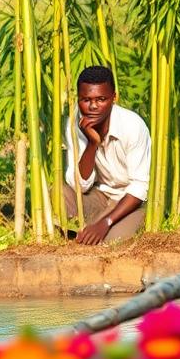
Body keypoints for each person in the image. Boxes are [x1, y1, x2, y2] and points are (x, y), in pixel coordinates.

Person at [63, 65, 151, 245]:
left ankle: (92, 228)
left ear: (114, 98)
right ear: (78, 99)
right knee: (59, 193)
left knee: (110, 242)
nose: (93, 106)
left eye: (101, 99)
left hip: (130, 202)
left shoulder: (133, 126)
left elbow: (139, 188)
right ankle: (86, 229)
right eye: (86, 99)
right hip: (100, 196)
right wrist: (92, 144)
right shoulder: (74, 124)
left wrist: (106, 222)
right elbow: (80, 186)